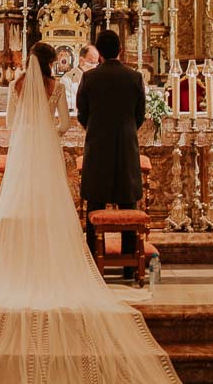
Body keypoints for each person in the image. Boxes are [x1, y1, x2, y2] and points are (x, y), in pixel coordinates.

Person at [0, 41, 180, 383]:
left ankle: (17, 263)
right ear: (52, 62)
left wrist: (28, 132)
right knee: (52, 204)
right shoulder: (57, 86)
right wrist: (47, 130)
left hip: (24, 150)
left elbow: (10, 122)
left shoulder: (17, 85)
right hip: (47, 147)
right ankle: (60, 261)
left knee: (19, 203)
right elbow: (65, 124)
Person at [76, 29, 145, 280]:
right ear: (120, 50)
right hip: (127, 145)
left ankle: (94, 263)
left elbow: (82, 112)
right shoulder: (134, 77)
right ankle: (129, 266)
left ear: (100, 53)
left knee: (95, 201)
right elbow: (140, 115)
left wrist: (96, 129)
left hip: (97, 146)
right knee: (128, 200)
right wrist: (125, 131)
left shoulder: (90, 79)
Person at [61, 42, 99, 109]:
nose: (94, 66)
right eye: (92, 62)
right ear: (81, 60)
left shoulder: (98, 77)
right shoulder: (67, 78)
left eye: (96, 63)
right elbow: (66, 102)